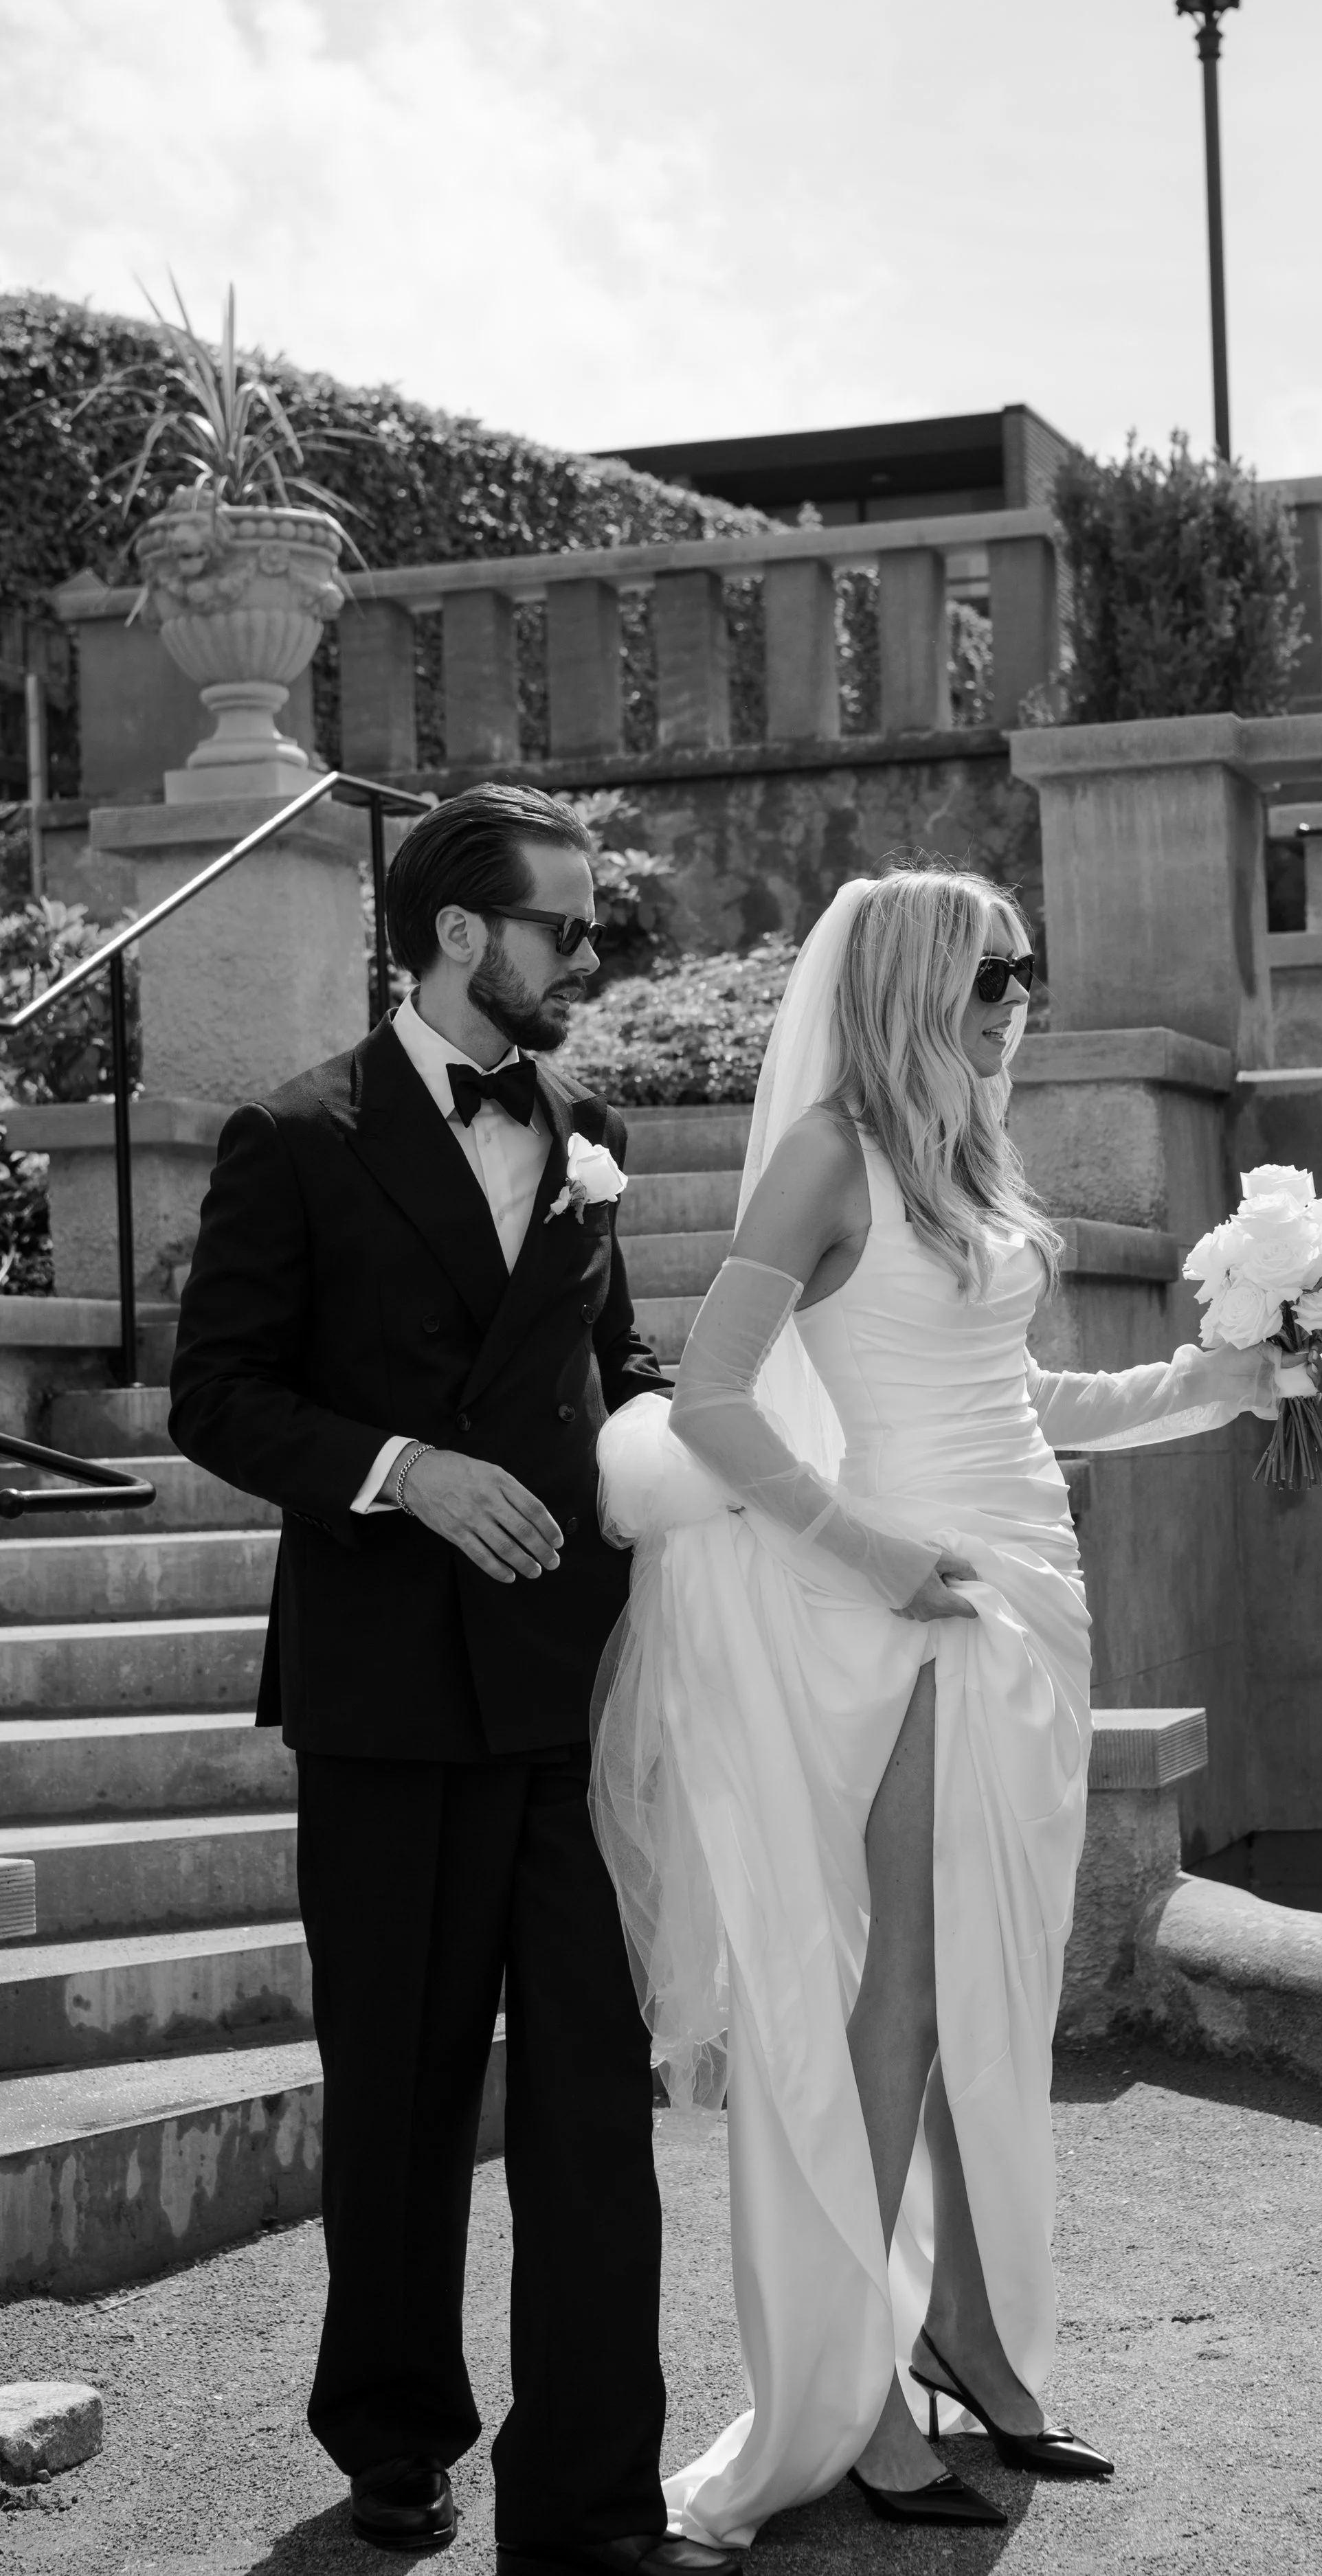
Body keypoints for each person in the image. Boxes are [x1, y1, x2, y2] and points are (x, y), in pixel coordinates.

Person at [591, 865, 1281, 2547]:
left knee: (991, 1990)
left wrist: (1210, 1383)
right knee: (898, 1996)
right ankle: (858, 2404)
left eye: (1022, 972)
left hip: (1026, 1592)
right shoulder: (825, 1154)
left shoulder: (964, 1153)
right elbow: (710, 1400)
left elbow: (1013, 1397)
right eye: (989, 974)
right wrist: (870, 1551)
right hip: (904, 1605)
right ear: (911, 983)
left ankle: (965, 2336)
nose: (1015, 999)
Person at [169, 783, 740, 2576]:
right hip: (387, 1699)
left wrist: (691, 1445)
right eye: (565, 927)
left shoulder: (590, 1131)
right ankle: (396, 2436)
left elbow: (610, 1357)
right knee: (402, 2097)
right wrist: (401, 1468)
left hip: (569, 1686)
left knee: (591, 2109)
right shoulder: (294, 1135)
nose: (589, 958)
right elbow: (217, 1394)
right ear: (458, 934)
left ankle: (591, 2503)